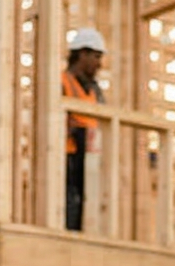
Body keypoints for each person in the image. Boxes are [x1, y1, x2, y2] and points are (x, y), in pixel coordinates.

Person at [62, 28, 108, 232]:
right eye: (96, 57)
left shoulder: (95, 90)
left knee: (85, 205)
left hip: (89, 156)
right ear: (82, 54)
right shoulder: (62, 82)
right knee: (69, 202)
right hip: (68, 155)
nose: (99, 64)